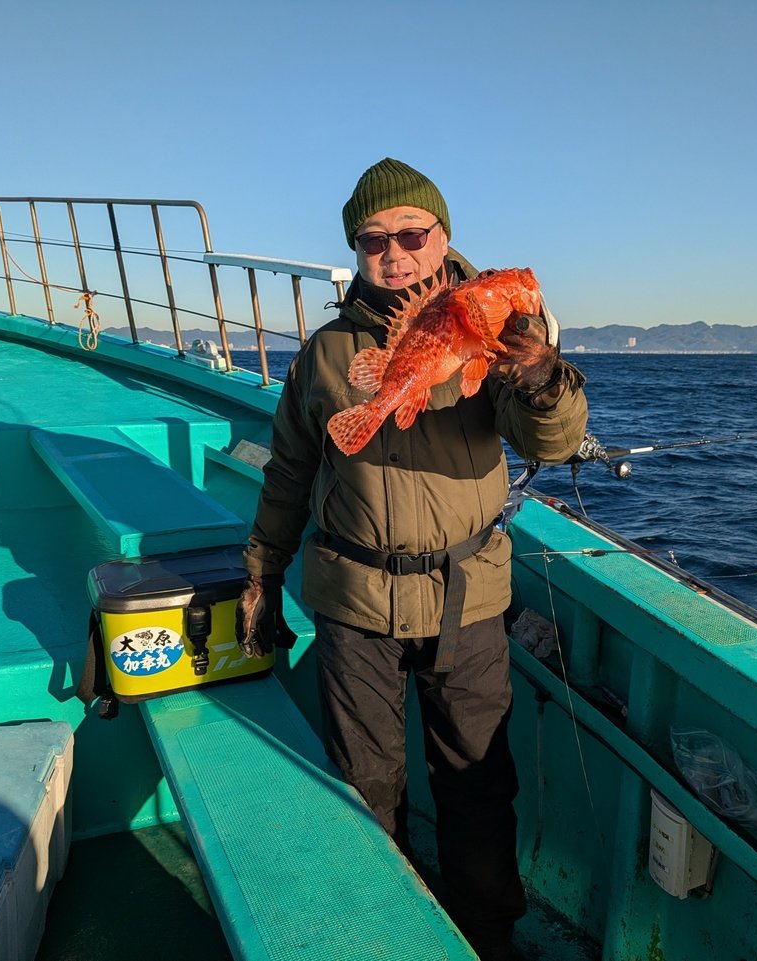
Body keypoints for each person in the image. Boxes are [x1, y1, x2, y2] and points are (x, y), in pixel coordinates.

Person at [235, 157, 589, 961]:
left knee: (478, 783)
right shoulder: (325, 353)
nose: (393, 253)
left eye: (411, 234)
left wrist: (542, 379)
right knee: (364, 784)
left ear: (443, 235)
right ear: (356, 251)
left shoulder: (494, 327)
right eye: (373, 240)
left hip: (468, 598)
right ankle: (380, 934)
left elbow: (551, 440)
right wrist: (262, 571)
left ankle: (486, 940)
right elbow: (290, 470)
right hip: (354, 600)